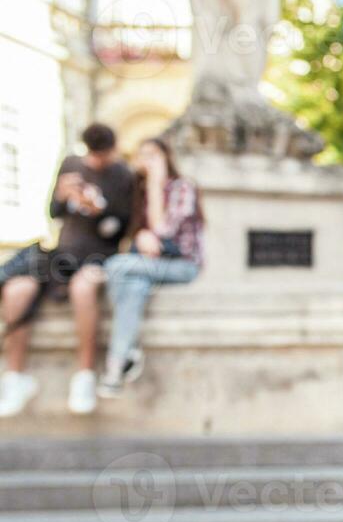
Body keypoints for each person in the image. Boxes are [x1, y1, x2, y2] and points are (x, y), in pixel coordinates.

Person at [0, 123, 134, 417]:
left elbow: (121, 229)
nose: (96, 162)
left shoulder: (124, 175)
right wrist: (63, 196)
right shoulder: (71, 164)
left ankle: (84, 375)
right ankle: (15, 377)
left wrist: (100, 211)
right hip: (62, 256)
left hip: (99, 255)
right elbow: (53, 212)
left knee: (83, 289)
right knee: (16, 289)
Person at [97, 137, 204, 399]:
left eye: (154, 154)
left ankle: (125, 353)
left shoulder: (182, 188)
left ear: (167, 157)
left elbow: (163, 233)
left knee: (115, 266)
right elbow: (141, 240)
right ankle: (121, 362)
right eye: (142, 155)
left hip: (182, 266)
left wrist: (157, 185)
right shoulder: (139, 192)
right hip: (150, 268)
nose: (148, 160)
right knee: (134, 287)